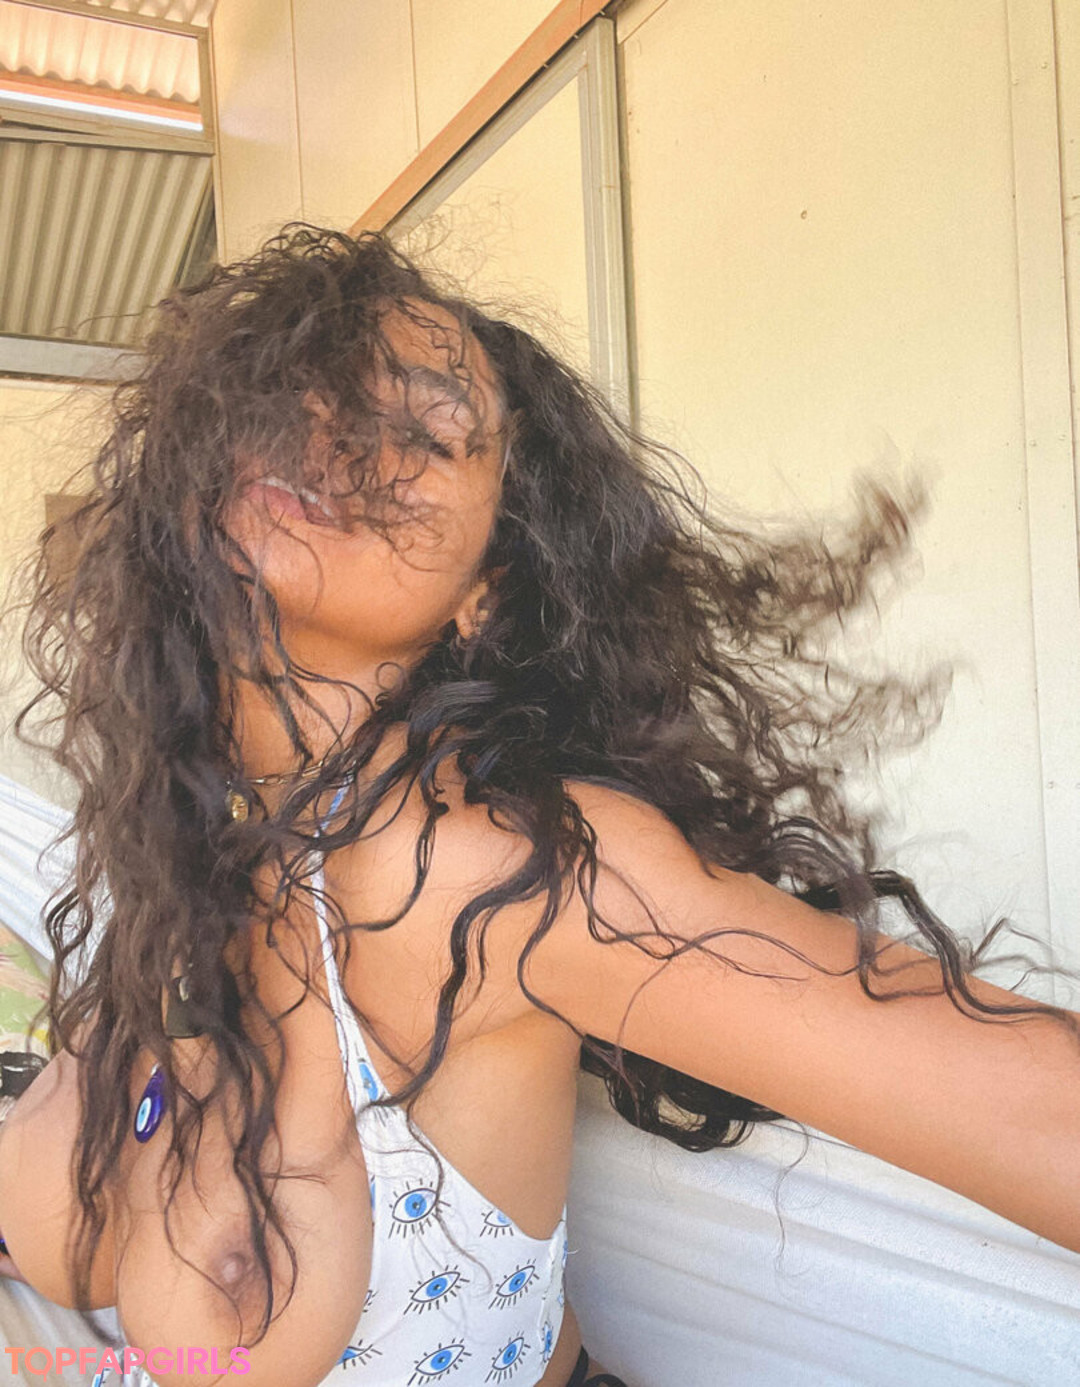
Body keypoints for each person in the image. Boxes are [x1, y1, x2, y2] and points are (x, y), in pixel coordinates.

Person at [0, 224, 1078, 1387]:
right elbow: (74, 1238)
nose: (333, 438)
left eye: (425, 432)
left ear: (486, 593)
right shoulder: (190, 846)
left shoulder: (497, 867)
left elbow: (1039, 1116)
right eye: (293, 396)